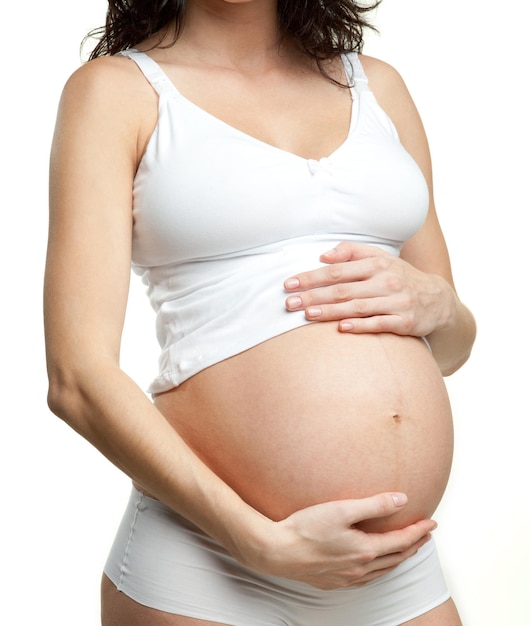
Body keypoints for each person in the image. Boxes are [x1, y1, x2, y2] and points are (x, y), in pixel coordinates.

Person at [44, 0, 476, 624]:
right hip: (207, 562)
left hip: (394, 568)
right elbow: (77, 378)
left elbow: (454, 347)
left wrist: (441, 307)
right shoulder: (117, 92)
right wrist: (256, 541)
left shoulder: (376, 84)